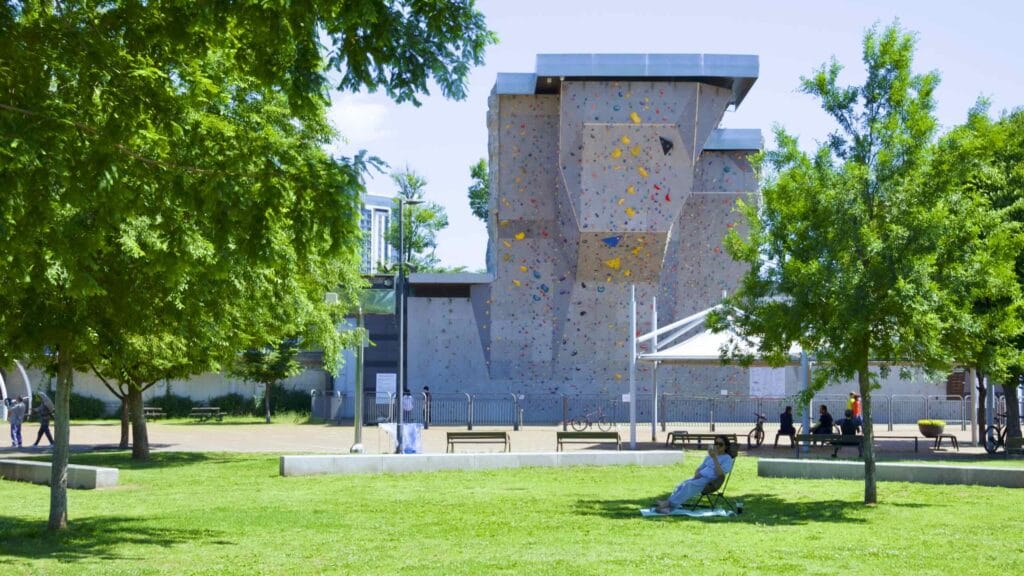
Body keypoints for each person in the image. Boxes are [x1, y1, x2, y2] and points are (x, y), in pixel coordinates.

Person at [655, 435, 734, 514]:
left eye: (720, 444)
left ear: (726, 446)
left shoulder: (727, 459)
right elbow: (700, 468)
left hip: (710, 481)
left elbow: (720, 474)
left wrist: (714, 458)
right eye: (716, 443)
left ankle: (669, 506)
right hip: (700, 477)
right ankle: (669, 505)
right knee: (682, 485)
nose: (717, 446)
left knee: (689, 485)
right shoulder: (709, 457)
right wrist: (697, 474)